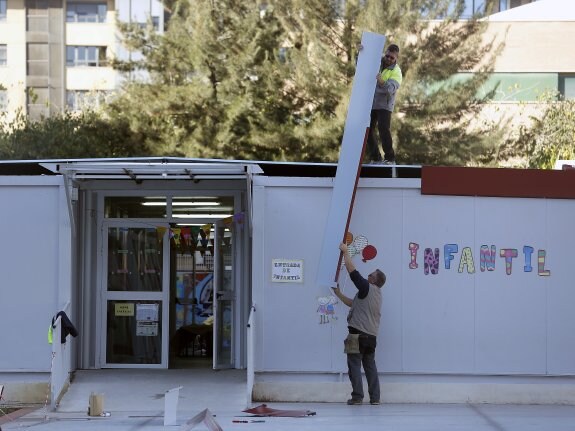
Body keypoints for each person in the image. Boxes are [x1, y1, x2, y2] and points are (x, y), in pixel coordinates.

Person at [331, 242, 386, 405]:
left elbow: (352, 271)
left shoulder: (366, 287)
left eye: (371, 275)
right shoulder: (377, 294)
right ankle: (375, 398)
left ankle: (357, 397)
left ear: (374, 280)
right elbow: (352, 303)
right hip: (371, 337)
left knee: (353, 364)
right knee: (370, 367)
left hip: (356, 334)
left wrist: (345, 251)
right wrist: (339, 294)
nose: (368, 275)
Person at [367, 44, 402, 164]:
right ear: (385, 53)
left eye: (392, 58)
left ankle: (390, 158)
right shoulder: (377, 60)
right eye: (387, 56)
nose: (388, 59)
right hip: (371, 103)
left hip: (385, 105)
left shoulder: (397, 72)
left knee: (383, 129)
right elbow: (361, 63)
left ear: (396, 58)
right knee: (368, 130)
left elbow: (390, 89)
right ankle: (376, 157)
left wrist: (382, 82)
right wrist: (361, 50)